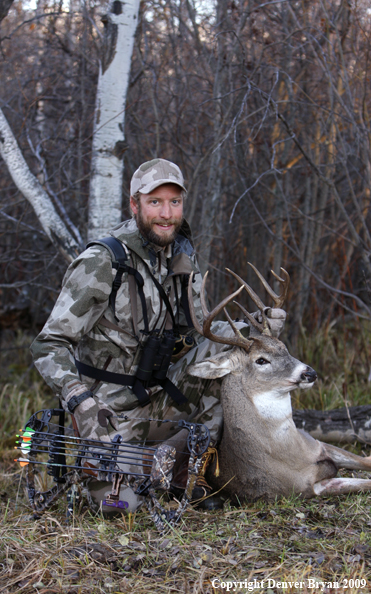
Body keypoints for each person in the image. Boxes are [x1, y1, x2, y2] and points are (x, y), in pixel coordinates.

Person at [31, 158, 285, 509]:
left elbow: (200, 334)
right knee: (122, 509)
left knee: (234, 358)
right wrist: (79, 400)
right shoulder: (102, 262)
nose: (166, 214)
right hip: (107, 412)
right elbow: (48, 344)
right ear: (134, 205)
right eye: (155, 202)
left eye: (174, 202)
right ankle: (149, 468)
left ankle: (194, 474)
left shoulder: (182, 256)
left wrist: (256, 325)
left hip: (159, 395)